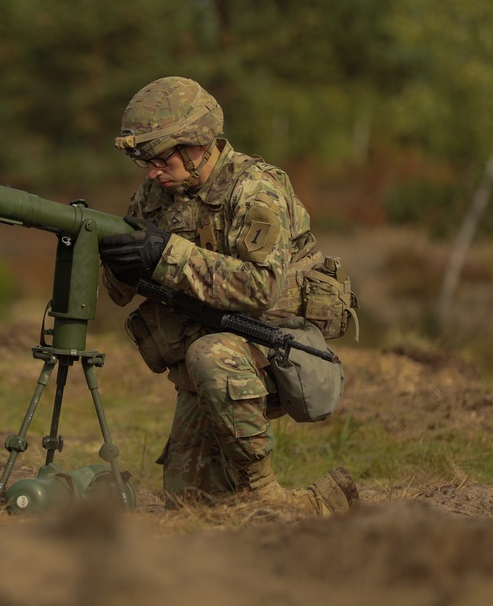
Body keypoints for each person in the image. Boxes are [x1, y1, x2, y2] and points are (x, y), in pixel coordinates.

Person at [98, 76, 358, 515]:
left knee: (210, 354)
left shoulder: (255, 188)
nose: (151, 172)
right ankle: (321, 507)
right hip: (209, 365)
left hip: (278, 349)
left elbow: (260, 287)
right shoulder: (155, 195)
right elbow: (119, 295)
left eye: (160, 158)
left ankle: (268, 494)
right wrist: (118, 262)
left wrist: (166, 254)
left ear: (198, 144)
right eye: (144, 161)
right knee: (192, 506)